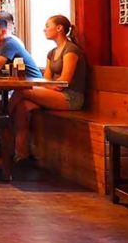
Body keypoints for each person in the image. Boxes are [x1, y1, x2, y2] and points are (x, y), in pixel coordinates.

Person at [7, 15, 87, 163]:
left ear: (59, 28)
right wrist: (50, 85)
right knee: (23, 106)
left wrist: (50, 85)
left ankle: (4, 122)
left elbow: (65, 81)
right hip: (55, 93)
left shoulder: (71, 50)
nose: (44, 29)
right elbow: (46, 80)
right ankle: (21, 153)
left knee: (22, 91)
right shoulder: (51, 52)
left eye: (47, 26)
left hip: (71, 97)